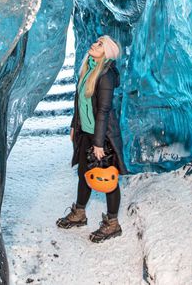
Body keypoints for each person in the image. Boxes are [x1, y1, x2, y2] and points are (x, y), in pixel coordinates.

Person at [56, 34, 127, 242]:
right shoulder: (88, 68)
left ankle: (113, 224)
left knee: (108, 179)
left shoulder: (106, 75)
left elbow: (103, 110)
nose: (94, 45)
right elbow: (80, 102)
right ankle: (79, 213)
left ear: (107, 52)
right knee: (83, 173)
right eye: (96, 42)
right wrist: (73, 125)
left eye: (99, 44)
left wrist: (98, 143)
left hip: (103, 135)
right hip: (86, 132)